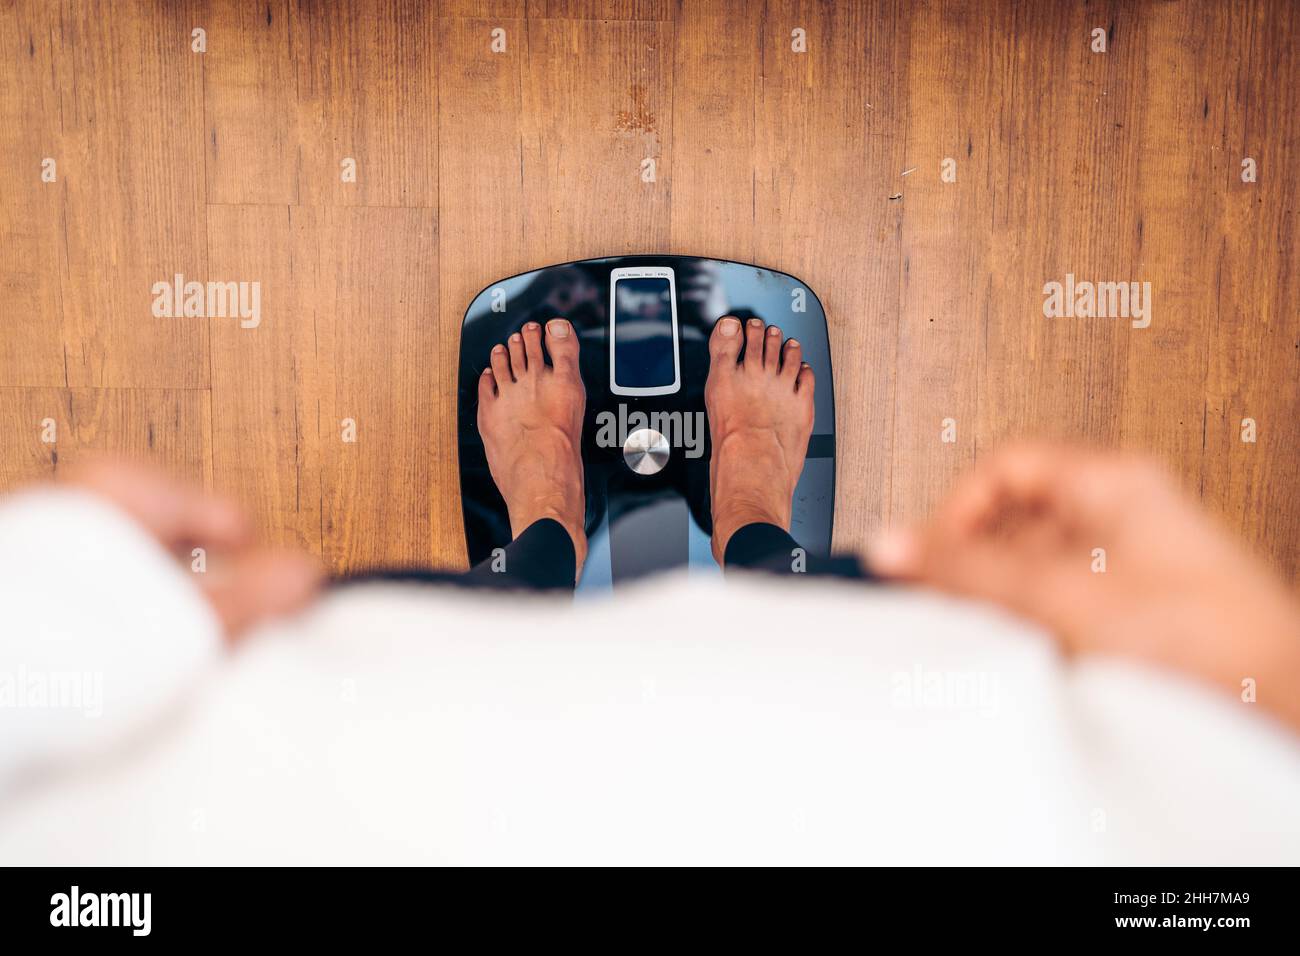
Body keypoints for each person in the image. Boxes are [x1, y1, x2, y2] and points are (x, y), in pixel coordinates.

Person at [0, 316, 1297, 865]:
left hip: (319, 757)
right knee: (798, 614)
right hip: (961, 765)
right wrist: (1263, 668)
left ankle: (546, 514)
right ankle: (749, 515)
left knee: (505, 620)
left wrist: (63, 604)